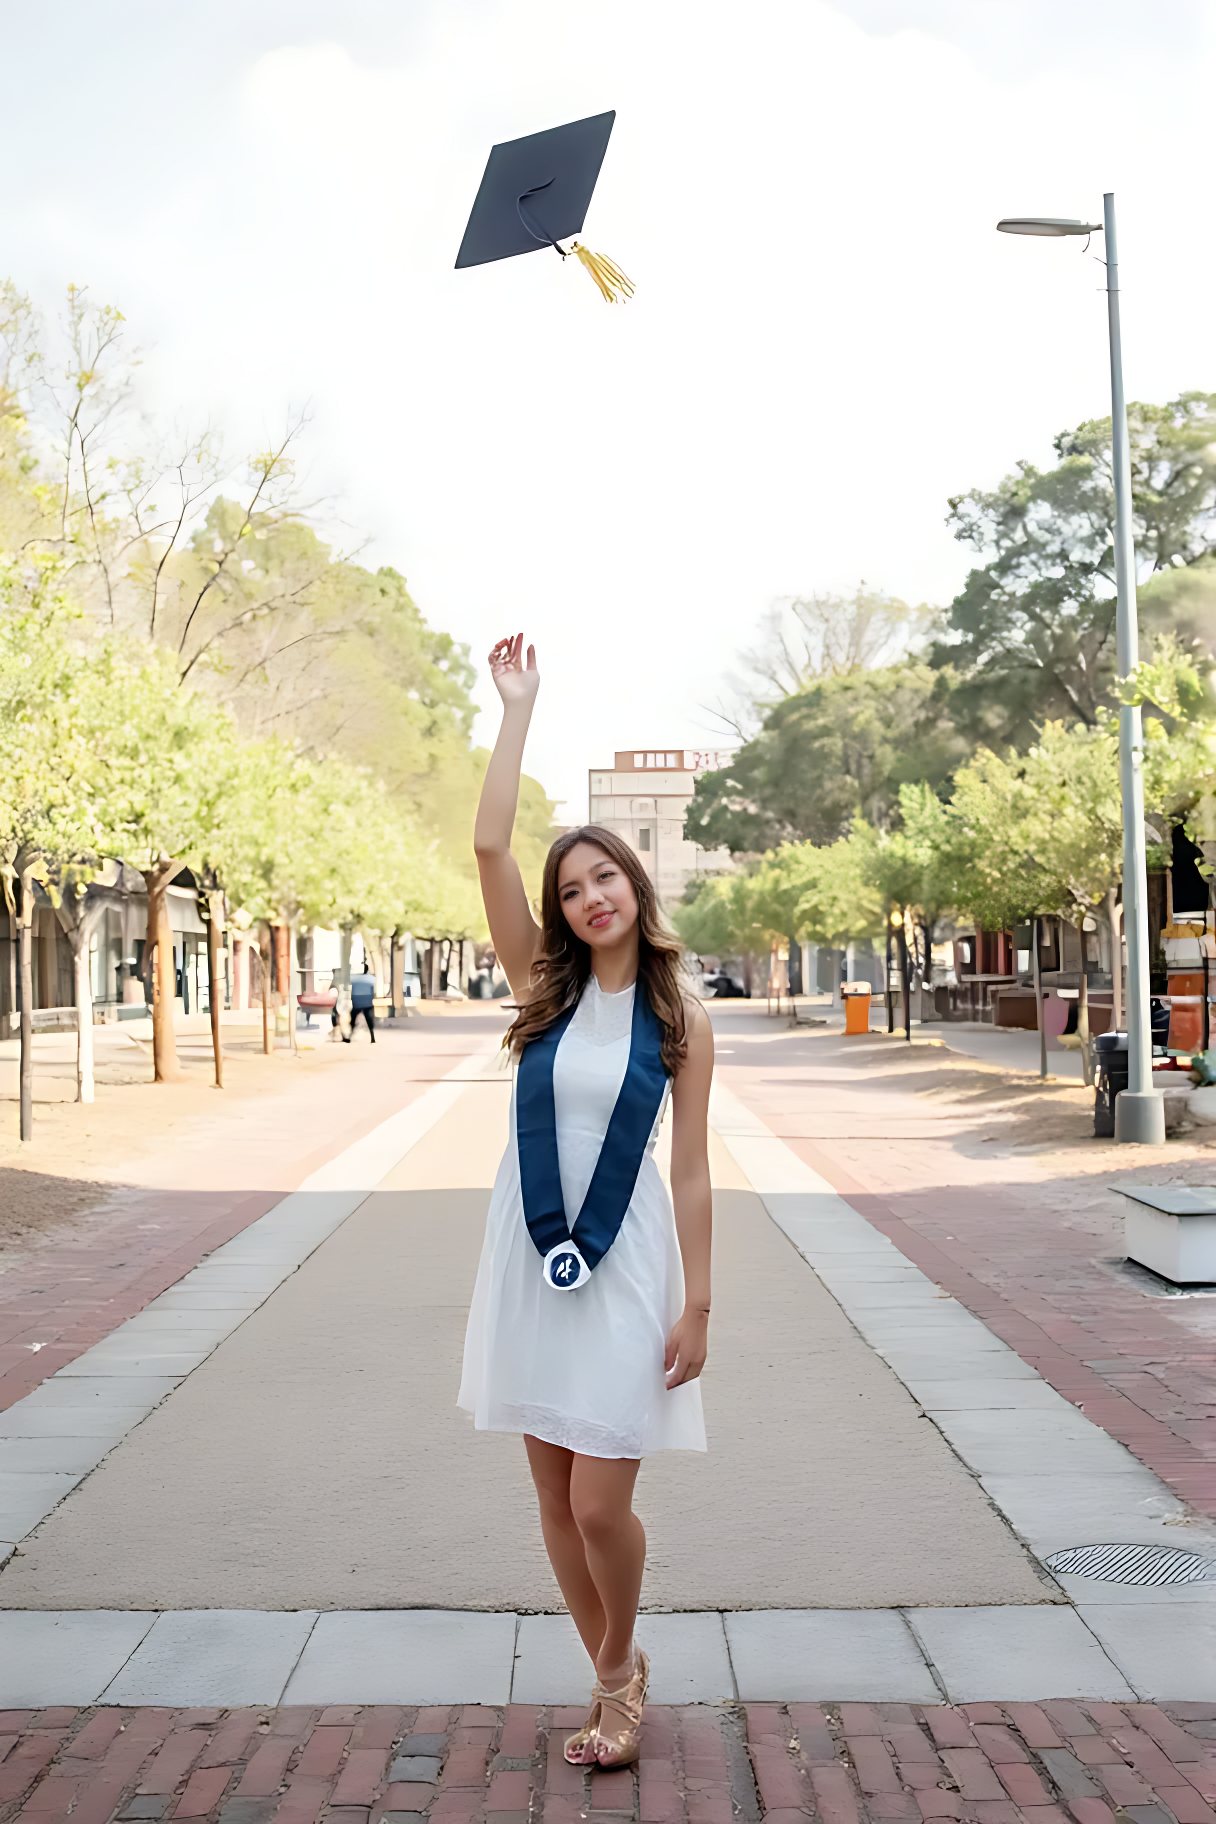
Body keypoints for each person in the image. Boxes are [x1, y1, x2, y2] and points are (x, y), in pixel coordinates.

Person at [460, 633, 713, 1769]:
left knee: (604, 1503)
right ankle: (613, 1679)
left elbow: (695, 1167)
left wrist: (698, 1304)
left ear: (635, 883)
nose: (588, 895)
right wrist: (518, 707)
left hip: (626, 1264)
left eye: (603, 875)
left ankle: (622, 1667)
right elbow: (485, 845)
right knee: (554, 1504)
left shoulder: (680, 1019)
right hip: (532, 1258)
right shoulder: (543, 992)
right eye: (570, 887)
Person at [346, 964, 376, 1042]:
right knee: (369, 1020)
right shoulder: (371, 978)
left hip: (357, 1001)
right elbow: (372, 990)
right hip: (367, 1001)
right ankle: (372, 1038)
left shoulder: (352, 978)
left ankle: (349, 1037)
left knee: (353, 1020)